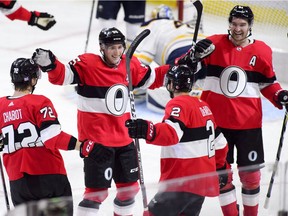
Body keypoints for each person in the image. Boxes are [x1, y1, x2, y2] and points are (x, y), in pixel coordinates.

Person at [31, 27, 170, 216]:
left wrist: (179, 66)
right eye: (112, 47)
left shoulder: (130, 65)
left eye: (120, 47)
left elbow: (153, 78)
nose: (117, 52)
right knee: (96, 194)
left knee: (129, 191)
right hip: (97, 143)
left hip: (125, 141)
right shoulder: (87, 64)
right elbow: (63, 76)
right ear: (101, 48)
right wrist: (51, 65)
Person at [180, 5, 288, 216]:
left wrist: (280, 95)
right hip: (216, 125)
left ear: (250, 26)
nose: (237, 28)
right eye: (233, 23)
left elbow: (267, 84)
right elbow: (182, 70)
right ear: (228, 23)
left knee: (251, 176)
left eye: (242, 24)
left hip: (249, 125)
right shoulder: (213, 44)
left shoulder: (262, 50)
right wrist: (191, 58)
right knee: (222, 175)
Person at [0, 58, 100, 214]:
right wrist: (81, 146)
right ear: (33, 79)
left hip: (18, 184)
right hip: (48, 177)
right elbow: (53, 137)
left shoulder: (1, 106)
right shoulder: (39, 103)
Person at [125, 64, 229, 216]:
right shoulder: (203, 106)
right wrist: (220, 168)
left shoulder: (178, 104)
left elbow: (172, 134)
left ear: (171, 84)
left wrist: (147, 129)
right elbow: (221, 143)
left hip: (181, 182)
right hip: (201, 184)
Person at [133, 4, 206, 112]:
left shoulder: (151, 24)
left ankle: (187, 98)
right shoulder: (180, 25)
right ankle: (198, 93)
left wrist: (135, 86)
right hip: (206, 51)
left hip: (180, 52)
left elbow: (140, 61)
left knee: (154, 95)